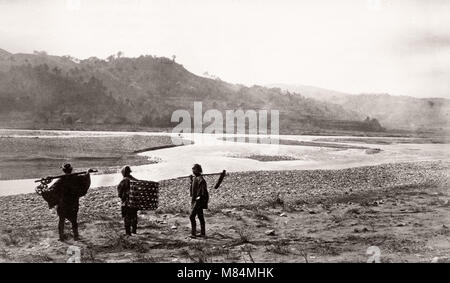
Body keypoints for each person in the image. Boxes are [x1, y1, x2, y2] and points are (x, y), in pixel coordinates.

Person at [49, 163, 92, 241]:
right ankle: (76, 236)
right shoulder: (76, 178)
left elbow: (52, 190)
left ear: (63, 170)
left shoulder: (60, 180)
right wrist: (88, 172)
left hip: (63, 203)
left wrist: (48, 180)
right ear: (71, 170)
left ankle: (61, 236)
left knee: (61, 219)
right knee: (74, 220)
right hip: (73, 203)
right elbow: (85, 179)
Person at [117, 165, 139, 236]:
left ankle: (128, 233)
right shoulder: (135, 180)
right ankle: (134, 231)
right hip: (134, 201)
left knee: (127, 217)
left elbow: (119, 193)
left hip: (126, 202)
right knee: (134, 216)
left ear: (123, 172)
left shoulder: (123, 181)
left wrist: (122, 196)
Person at [189, 164, 209, 238]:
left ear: (198, 170)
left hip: (198, 201)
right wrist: (191, 181)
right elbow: (193, 188)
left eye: (194, 169)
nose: (193, 171)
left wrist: (198, 198)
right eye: (193, 169)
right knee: (200, 217)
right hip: (196, 200)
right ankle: (203, 233)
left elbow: (203, 191)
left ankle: (193, 234)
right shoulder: (196, 178)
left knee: (191, 216)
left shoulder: (201, 179)